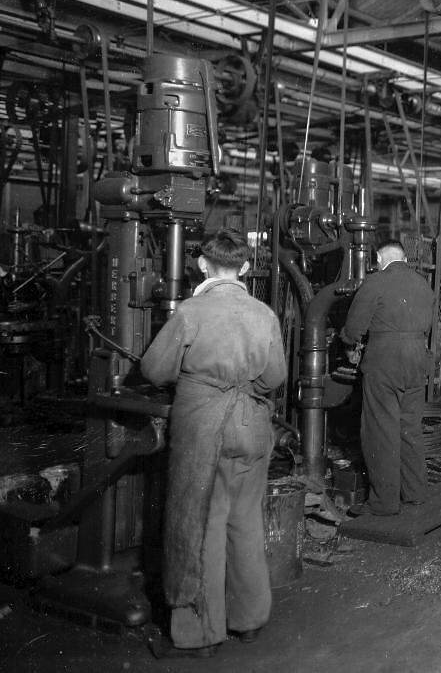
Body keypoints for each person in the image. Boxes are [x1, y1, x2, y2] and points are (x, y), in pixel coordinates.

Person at [140, 229, 288, 659]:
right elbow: (274, 377)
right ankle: (249, 621)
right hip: (252, 427)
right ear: (244, 268)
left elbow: (155, 369)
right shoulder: (265, 314)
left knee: (201, 524)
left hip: (203, 428)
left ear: (203, 266)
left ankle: (202, 634)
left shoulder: (190, 311)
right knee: (245, 521)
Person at [341, 239, 434, 516]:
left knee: (381, 431)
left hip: (385, 361)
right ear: (403, 258)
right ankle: (415, 492)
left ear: (380, 258)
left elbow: (355, 327)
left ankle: (384, 503)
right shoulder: (422, 283)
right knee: (410, 427)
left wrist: (347, 340)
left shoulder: (376, 282)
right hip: (417, 360)